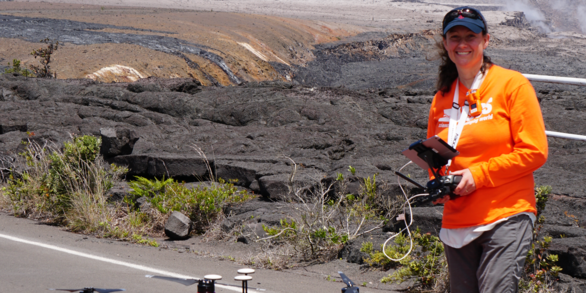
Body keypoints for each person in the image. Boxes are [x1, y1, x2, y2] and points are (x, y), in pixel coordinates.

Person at [426, 6, 548, 293]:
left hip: (506, 213)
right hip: (458, 222)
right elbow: (437, 160)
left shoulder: (512, 85)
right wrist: (436, 184)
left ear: (486, 40)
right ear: (446, 44)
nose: (463, 44)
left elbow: (534, 151)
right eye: (454, 37)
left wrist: (478, 176)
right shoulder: (441, 99)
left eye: (471, 35)